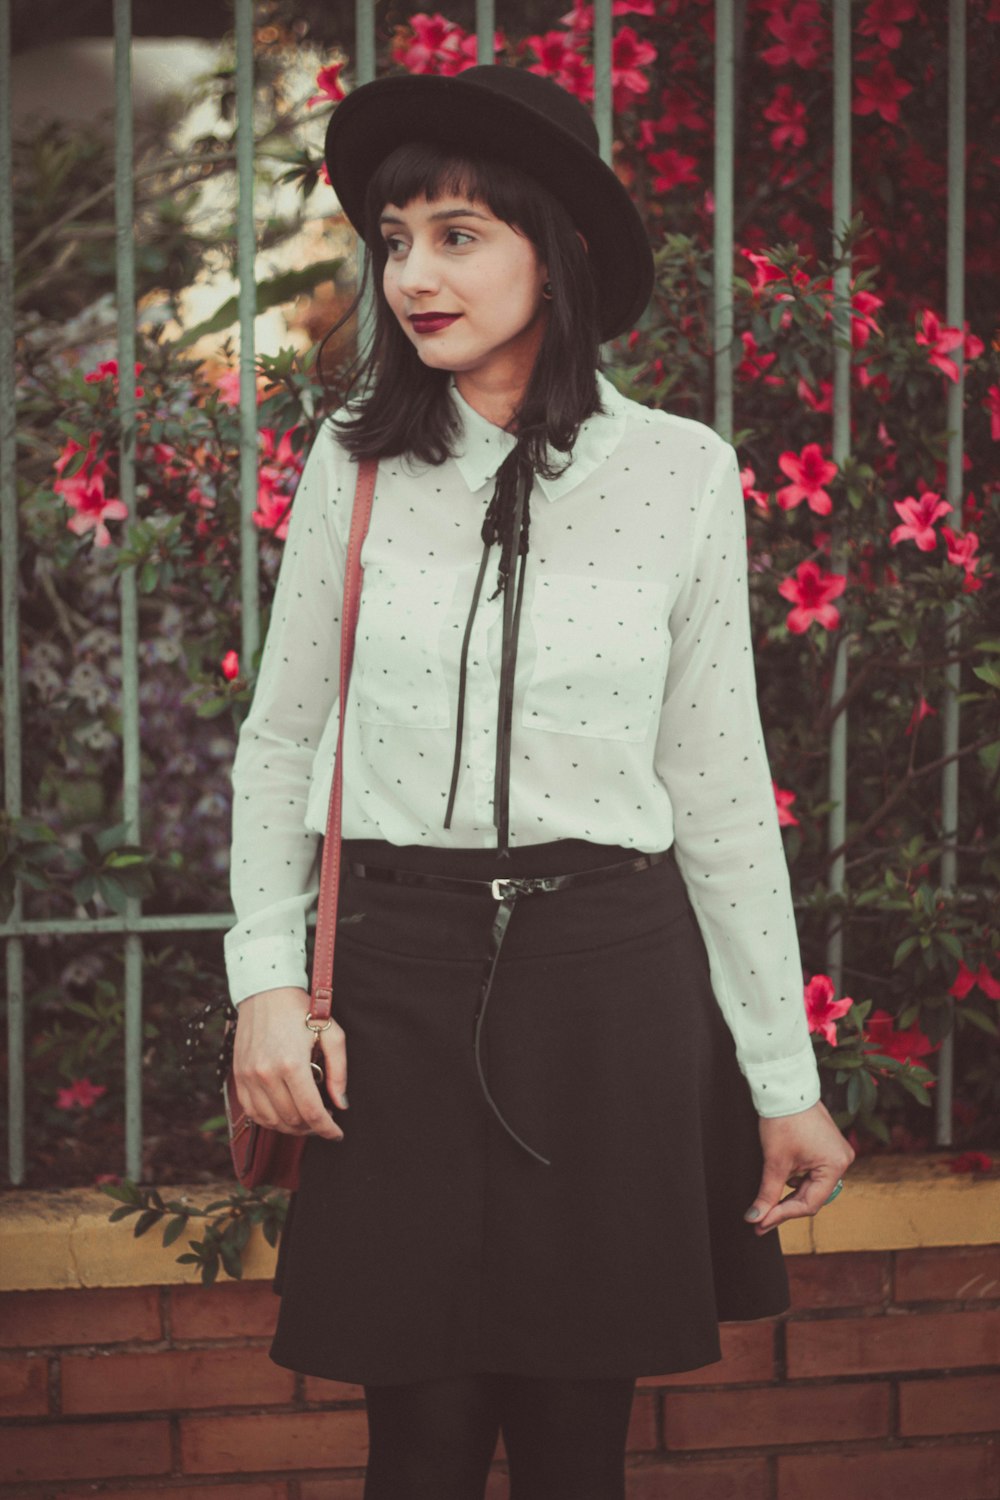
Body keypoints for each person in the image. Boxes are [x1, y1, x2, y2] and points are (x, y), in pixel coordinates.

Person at [225, 65, 854, 1500]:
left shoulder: (683, 476)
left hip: (606, 980)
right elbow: (281, 741)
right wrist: (266, 979)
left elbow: (717, 781)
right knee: (422, 1440)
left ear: (554, 249)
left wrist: (783, 1079)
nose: (413, 275)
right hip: (389, 989)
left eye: (459, 234)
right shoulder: (353, 462)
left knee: (580, 1445)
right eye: (394, 238)